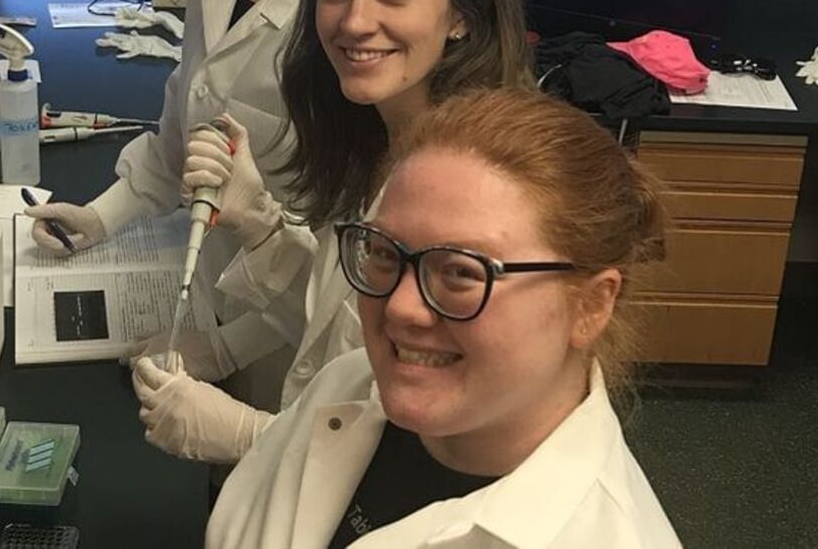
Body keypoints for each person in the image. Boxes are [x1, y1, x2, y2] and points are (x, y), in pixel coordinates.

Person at [132, 0, 532, 462]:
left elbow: (433, 448)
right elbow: (346, 319)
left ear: (462, 15)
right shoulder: (375, 133)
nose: (354, 21)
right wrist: (262, 225)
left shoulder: (477, 197)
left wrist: (253, 439)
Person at [205, 87, 681, 547]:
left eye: (460, 272)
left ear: (592, 305)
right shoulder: (348, 384)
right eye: (385, 252)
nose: (400, 307)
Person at [26, 0, 343, 412]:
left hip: (290, 334)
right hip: (201, 285)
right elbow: (183, 128)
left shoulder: (343, 2)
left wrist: (224, 348)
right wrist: (100, 217)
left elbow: (342, 264)